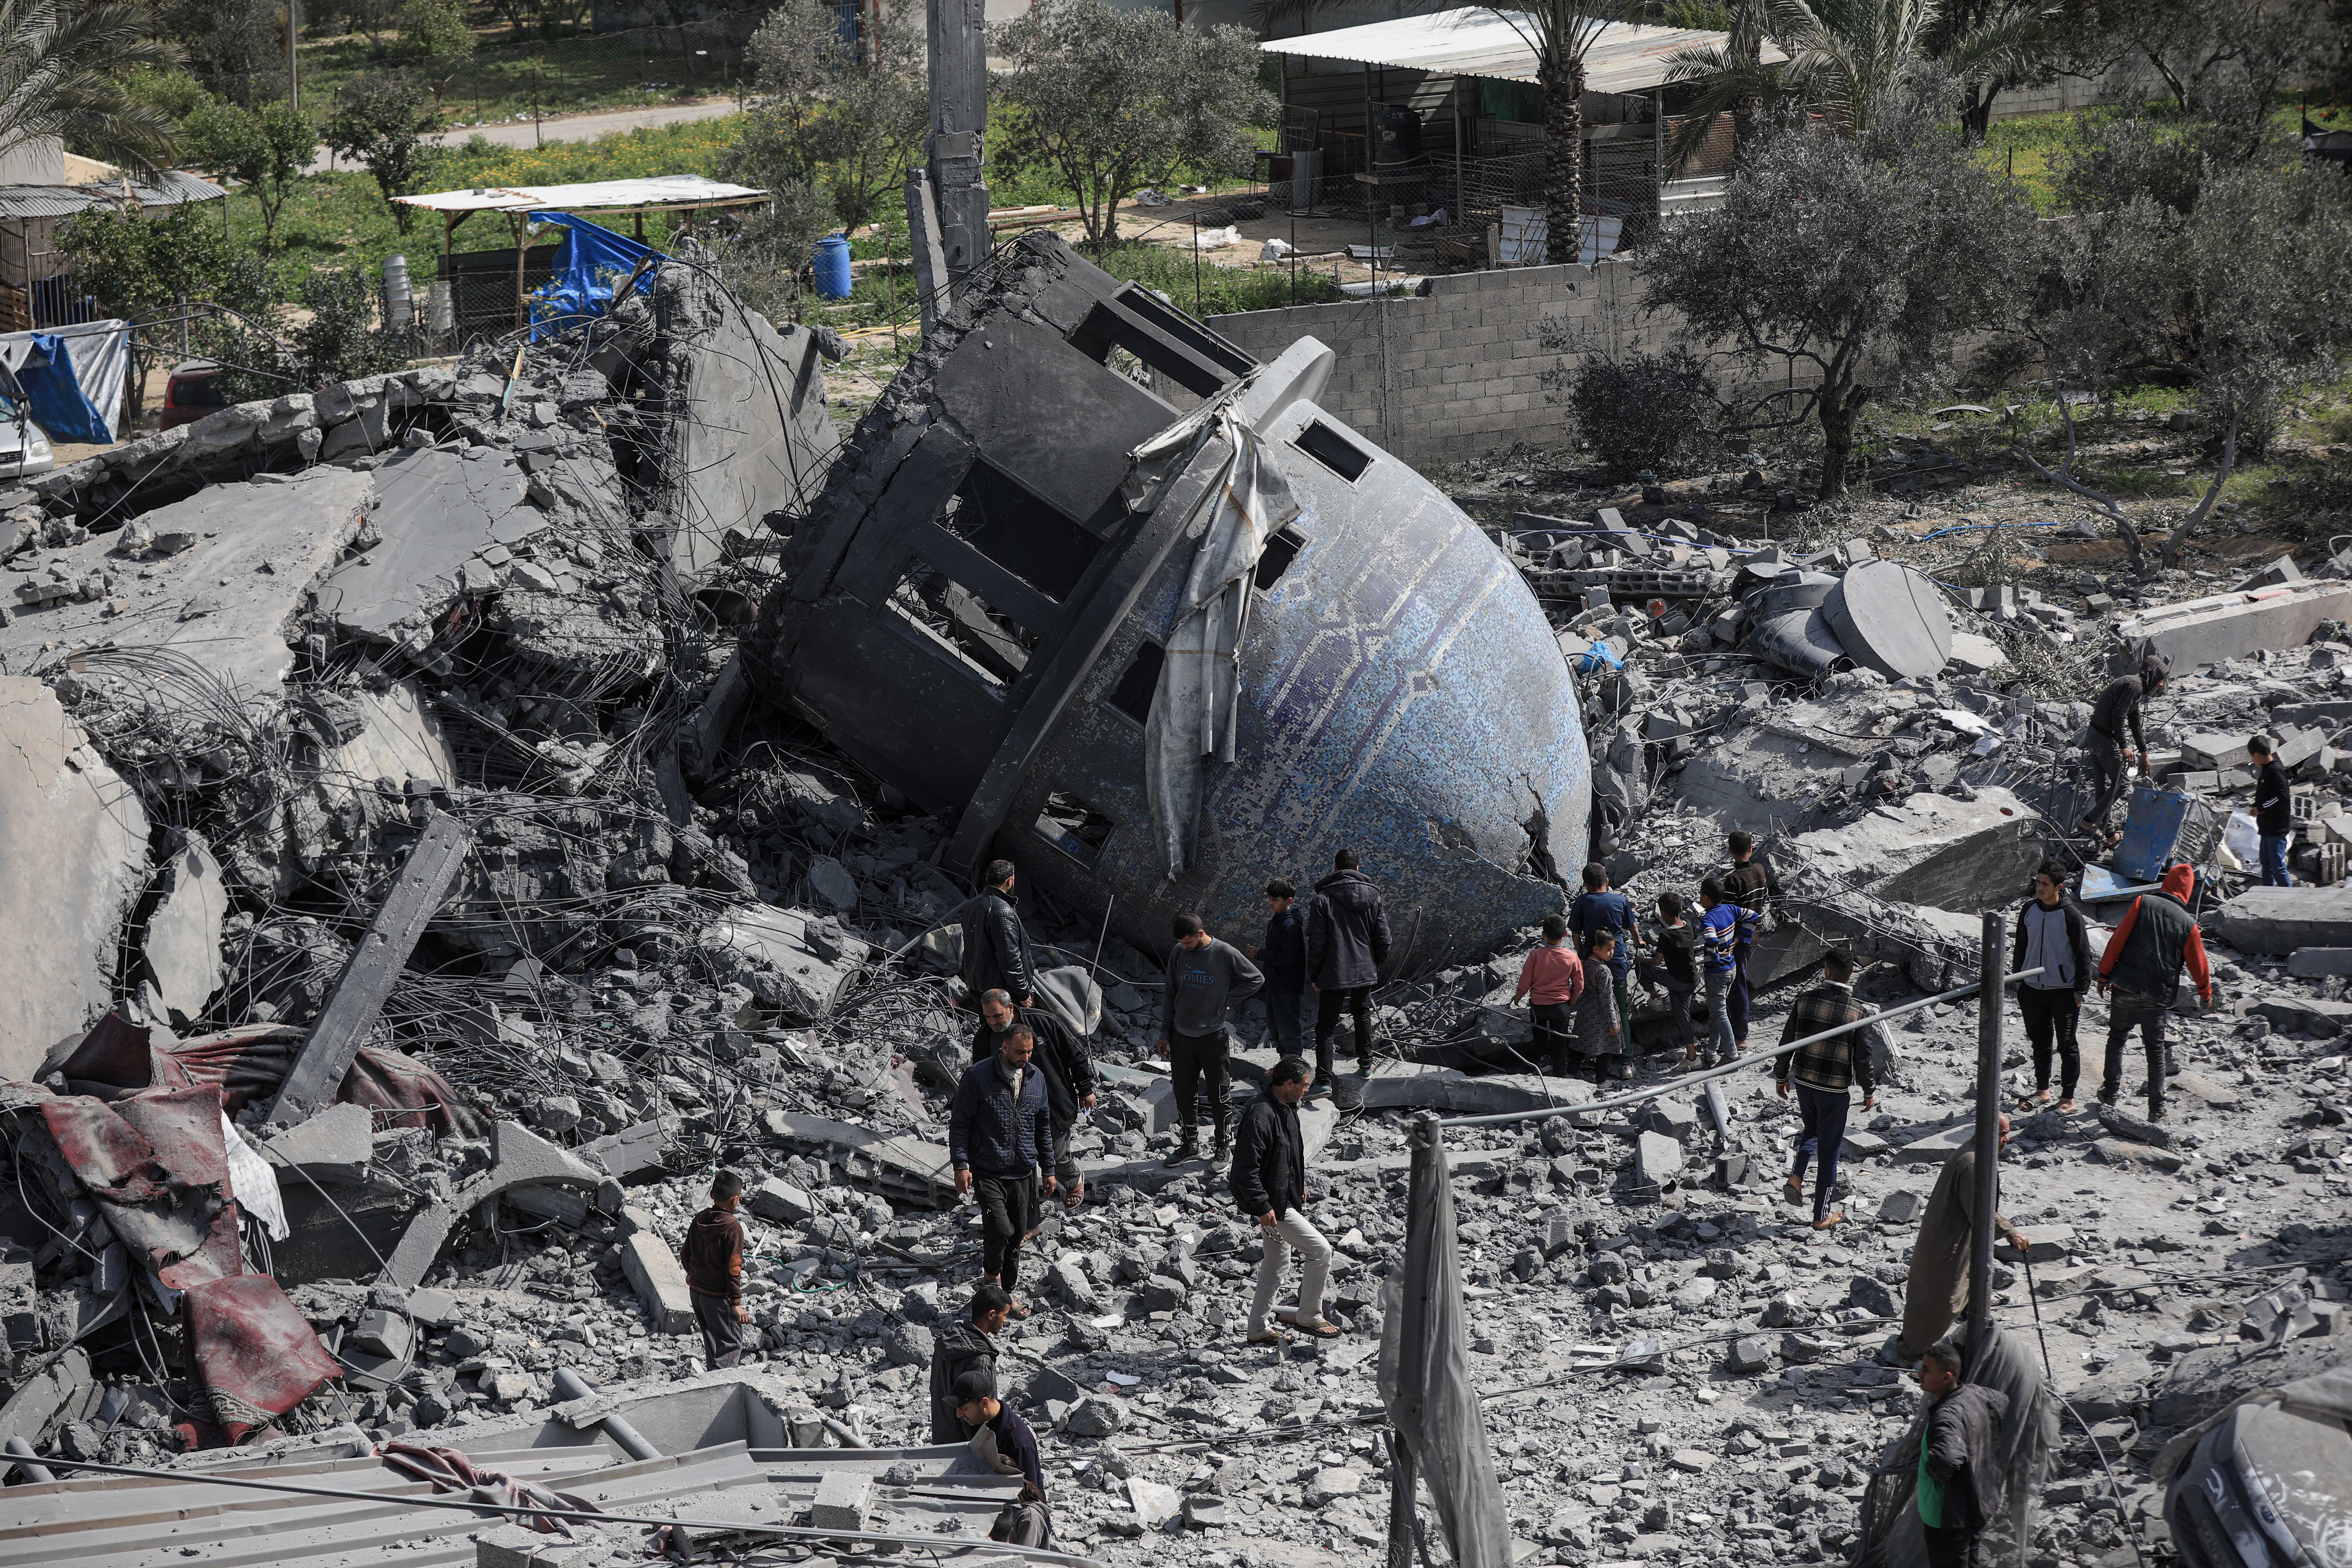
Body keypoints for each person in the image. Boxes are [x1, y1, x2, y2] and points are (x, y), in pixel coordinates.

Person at [1893, 1116, 2029, 1364]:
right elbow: (1981, 1211)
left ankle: (1972, 1340)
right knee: (1943, 1299)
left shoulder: (1976, 1155)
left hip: (1957, 1237)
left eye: (2008, 1133)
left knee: (1965, 1289)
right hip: (1949, 1243)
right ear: (1988, 1134)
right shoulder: (1973, 1163)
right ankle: (1912, 1352)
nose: (2007, 1139)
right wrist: (2011, 1232)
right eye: (2002, 1134)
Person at [1231, 1056, 1340, 1344]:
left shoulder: (1287, 1107)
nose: (1308, 1089)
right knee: (1321, 1251)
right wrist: (1263, 1206)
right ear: (1289, 1084)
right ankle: (1309, 1316)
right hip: (1274, 1207)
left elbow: (1290, 1152)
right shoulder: (1260, 1115)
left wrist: (1298, 1184)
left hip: (1282, 1199)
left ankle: (1257, 1328)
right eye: (1305, 1085)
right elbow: (1244, 1170)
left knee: (1277, 1263)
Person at [1771, 948, 1881, 1228]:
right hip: (1833, 1091)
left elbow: (1787, 1042)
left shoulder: (1804, 1000)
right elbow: (1863, 1058)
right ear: (1852, 974)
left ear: (1827, 971)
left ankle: (1796, 1176)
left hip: (1804, 1083)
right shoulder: (1858, 1012)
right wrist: (1868, 1092)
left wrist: (1781, 1076)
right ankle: (1822, 1216)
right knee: (1830, 1151)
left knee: (1812, 1132)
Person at [2094, 862, 2213, 1120]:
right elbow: (2198, 964)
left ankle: (2111, 1093)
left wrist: (2104, 975)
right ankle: (2156, 1110)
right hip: (2156, 994)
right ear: (2188, 892)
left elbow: (2118, 940)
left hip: (2124, 984)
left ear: (2167, 883)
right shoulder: (2189, 924)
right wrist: (2205, 994)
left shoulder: (2143, 903)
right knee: (2155, 1050)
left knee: (2117, 1039)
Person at [948, 1024, 1055, 1310]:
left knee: (1018, 1234)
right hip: (988, 1169)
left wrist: (1049, 1168)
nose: (1026, 1057)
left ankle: (1006, 1293)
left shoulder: (1036, 1079)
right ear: (1005, 1047)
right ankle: (991, 1279)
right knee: (1001, 1229)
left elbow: (1043, 1127)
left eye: (1030, 1052)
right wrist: (961, 1164)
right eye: (1020, 1052)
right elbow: (960, 1124)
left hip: (1023, 1172)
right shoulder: (978, 1076)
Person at [970, 989, 1098, 1210]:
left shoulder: (1043, 1023)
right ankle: (1027, 1211)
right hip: (1011, 1111)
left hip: (1054, 1105)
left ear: (1011, 1009)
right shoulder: (984, 1040)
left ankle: (1073, 1180)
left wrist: (1086, 1089)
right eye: (988, 1018)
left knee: (1056, 1153)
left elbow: (1075, 1055)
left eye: (998, 1016)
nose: (993, 1023)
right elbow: (980, 1077)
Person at [1156, 913, 1265, 1168]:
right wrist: (1164, 1033)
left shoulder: (1225, 953)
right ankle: (1189, 1145)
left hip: (1212, 1037)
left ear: (1201, 934)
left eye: (1188, 943)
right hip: (1181, 1036)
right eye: (1181, 943)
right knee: (1183, 1094)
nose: (1184, 948)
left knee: (1219, 1094)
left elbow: (1256, 978)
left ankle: (1222, 1147)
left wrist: (1228, 1000)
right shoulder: (1178, 953)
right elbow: (1170, 992)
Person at [1915, 1339, 2012, 1568]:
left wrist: (1933, 1470)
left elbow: (1947, 1460)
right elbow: (2003, 1401)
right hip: (1977, 1503)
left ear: (1947, 1377)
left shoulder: (1946, 1416)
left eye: (1927, 1370)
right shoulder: (1973, 1394)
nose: (1920, 1374)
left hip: (1947, 1516)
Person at [2010, 860, 2092, 1113]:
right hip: (2032, 990)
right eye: (2038, 882)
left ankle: (2068, 1098)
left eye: (2045, 884)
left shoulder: (2071, 915)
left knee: (2067, 1045)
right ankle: (2043, 1091)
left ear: (2059, 887)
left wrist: (2080, 990)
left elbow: (2083, 954)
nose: (2039, 888)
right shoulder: (2028, 910)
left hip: (2064, 992)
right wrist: (2019, 981)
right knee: (2040, 1043)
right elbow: (2021, 948)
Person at [1306, 849, 1391, 1082]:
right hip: (1365, 969)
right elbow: (1384, 938)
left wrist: (1314, 974)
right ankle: (1366, 1066)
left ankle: (1323, 1080)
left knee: (1325, 1025)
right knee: (1362, 1014)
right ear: (1357, 870)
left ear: (1335, 869)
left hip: (1333, 971)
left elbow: (1317, 943)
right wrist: (1375, 963)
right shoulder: (1374, 897)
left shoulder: (1322, 900)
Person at [2081, 654, 2169, 842]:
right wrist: (2124, 747)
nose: (2161, 685)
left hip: (2095, 737)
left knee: (2103, 789)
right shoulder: (2134, 686)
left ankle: (2111, 835)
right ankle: (2088, 821)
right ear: (2153, 676)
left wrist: (2144, 753)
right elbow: (2118, 716)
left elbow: (2135, 723)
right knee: (2121, 784)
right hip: (2104, 740)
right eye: (2161, 680)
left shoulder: (2137, 689)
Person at [680, 1170, 750, 1371]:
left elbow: (685, 1253)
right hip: (719, 1298)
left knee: (712, 1341)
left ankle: (711, 1383)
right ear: (735, 1199)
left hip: (697, 1294)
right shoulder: (733, 1229)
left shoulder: (699, 1219)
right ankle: (721, 1392)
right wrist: (736, 1303)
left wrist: (692, 1274)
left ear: (712, 1195)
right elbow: (734, 1268)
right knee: (730, 1346)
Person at [1568, 864, 1638, 1064]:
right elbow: (1632, 926)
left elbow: (1575, 933)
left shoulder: (1582, 902)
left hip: (1590, 965)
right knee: (1620, 1010)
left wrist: (1581, 953)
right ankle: (1626, 1060)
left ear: (1586, 885)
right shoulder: (1620, 900)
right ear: (1607, 881)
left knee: (1591, 1008)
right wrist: (1637, 941)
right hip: (1617, 964)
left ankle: (1589, 1053)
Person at [929, 1284, 1010, 1442]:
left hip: (942, 1440)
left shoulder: (947, 1343)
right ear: (992, 1315)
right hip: (965, 1448)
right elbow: (978, 1415)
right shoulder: (980, 1360)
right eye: (1005, 1315)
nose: (1006, 1321)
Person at [952, 1370, 1045, 1500]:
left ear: (985, 1403)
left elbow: (1030, 1500)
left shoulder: (1018, 1443)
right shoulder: (980, 1421)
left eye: (964, 1409)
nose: (958, 1415)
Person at [1511, 914, 1585, 1077]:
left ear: (1544, 935)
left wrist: (1518, 996)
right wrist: (1572, 999)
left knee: (1540, 1035)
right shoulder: (1572, 957)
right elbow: (1579, 984)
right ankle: (1560, 1072)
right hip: (1561, 1006)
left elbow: (1526, 980)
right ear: (1565, 934)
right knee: (1560, 1040)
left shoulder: (1535, 956)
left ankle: (1544, 1063)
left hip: (1539, 1006)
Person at [957, 860, 1037, 1010]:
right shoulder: (1001, 912)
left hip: (977, 985)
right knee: (1011, 1032)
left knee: (990, 1029)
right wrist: (1023, 993)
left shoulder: (972, 905)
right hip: (1000, 992)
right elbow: (1010, 959)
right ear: (1010, 881)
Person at [1725, 830, 1777, 1055]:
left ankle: (1740, 1035)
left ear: (1730, 851)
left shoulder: (1732, 880)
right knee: (1739, 980)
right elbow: (1763, 897)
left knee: (1738, 984)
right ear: (1751, 849)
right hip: (1754, 933)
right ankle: (1734, 1028)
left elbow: (1728, 912)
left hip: (1738, 937)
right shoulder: (1759, 870)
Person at [1636, 890, 1699, 1066]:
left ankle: (1655, 998)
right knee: (1682, 1017)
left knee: (1643, 967)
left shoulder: (1666, 935)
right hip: (1692, 979)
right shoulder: (1688, 926)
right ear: (1681, 909)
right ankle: (1693, 1058)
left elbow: (1656, 962)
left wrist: (1641, 959)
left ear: (1663, 914)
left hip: (1677, 981)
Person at [1251, 878, 1308, 1054]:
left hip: (1288, 986)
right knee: (1275, 1027)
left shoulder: (1291, 925)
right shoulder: (1277, 920)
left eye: (1275, 900)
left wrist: (1259, 954)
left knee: (1288, 1031)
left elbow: (1287, 957)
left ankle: (1295, 1073)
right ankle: (1287, 1067)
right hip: (1276, 984)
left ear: (1289, 901)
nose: (1271, 903)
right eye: (1269, 898)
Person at [1697, 876, 1744, 1068]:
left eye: (1701, 895)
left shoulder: (1708, 918)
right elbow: (1753, 917)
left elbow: (1710, 937)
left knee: (1719, 1013)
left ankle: (1732, 1054)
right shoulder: (1730, 909)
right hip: (1731, 967)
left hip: (1717, 972)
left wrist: (1715, 957)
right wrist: (1739, 939)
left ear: (1706, 898)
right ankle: (1711, 1051)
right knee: (1718, 1011)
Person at [1570, 929, 1624, 1086]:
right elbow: (1606, 999)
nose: (1612, 953)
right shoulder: (1604, 971)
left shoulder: (1585, 964)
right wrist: (1612, 1022)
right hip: (1601, 1015)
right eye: (1608, 950)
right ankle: (1601, 1080)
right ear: (1596, 949)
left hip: (1586, 1010)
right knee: (1605, 1047)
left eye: (1613, 949)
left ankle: (1571, 1072)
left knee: (1581, 1044)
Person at [2251, 734, 2295, 888]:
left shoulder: (2276, 772)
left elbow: (2282, 797)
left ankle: (2289, 898)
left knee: (2277, 866)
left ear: (2256, 755)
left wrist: (2260, 809)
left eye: (2253, 758)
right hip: (2267, 828)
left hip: (2276, 828)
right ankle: (2267, 894)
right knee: (2267, 865)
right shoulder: (2266, 771)